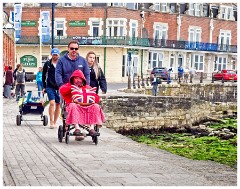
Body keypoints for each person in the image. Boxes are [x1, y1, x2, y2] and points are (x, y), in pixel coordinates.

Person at [59, 70, 105, 137]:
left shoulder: (87, 88)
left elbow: (96, 98)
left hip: (87, 107)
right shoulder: (68, 86)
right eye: (76, 78)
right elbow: (62, 90)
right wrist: (72, 87)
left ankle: (91, 128)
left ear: (83, 80)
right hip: (74, 107)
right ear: (72, 79)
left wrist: (92, 99)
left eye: (80, 78)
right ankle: (77, 128)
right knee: (73, 105)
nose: (78, 80)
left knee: (96, 106)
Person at [42, 48, 61, 129]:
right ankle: (51, 121)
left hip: (59, 87)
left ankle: (55, 121)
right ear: (51, 54)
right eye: (53, 54)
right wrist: (44, 86)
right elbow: (43, 75)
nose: (55, 56)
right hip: (50, 86)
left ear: (58, 55)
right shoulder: (47, 64)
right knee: (52, 103)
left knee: (58, 104)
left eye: (56, 55)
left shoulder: (61, 63)